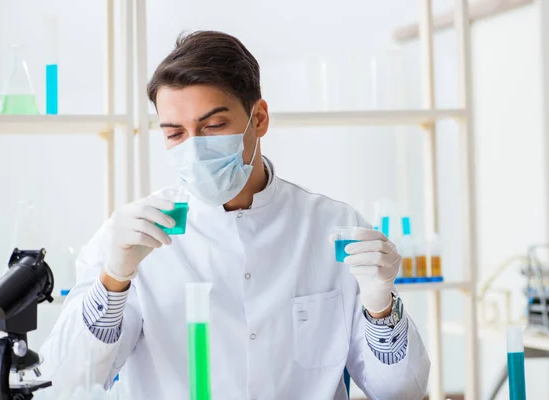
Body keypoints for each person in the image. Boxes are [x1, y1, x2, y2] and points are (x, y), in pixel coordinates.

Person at [40, 31, 430, 399]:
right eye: (175, 133)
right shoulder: (134, 237)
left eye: (212, 125)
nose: (194, 148)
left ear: (258, 118)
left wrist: (381, 306)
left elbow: (402, 391)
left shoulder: (331, 226)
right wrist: (113, 280)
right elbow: (66, 381)